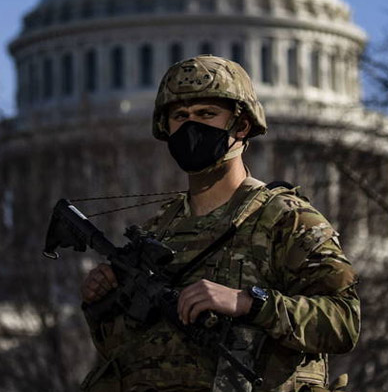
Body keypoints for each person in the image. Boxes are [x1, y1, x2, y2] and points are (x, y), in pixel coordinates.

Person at [79, 55, 358, 392]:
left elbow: (342, 322)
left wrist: (249, 302)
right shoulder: (158, 230)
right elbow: (127, 352)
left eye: (207, 114)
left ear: (240, 126)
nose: (191, 126)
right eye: (180, 116)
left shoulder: (287, 219)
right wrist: (101, 304)